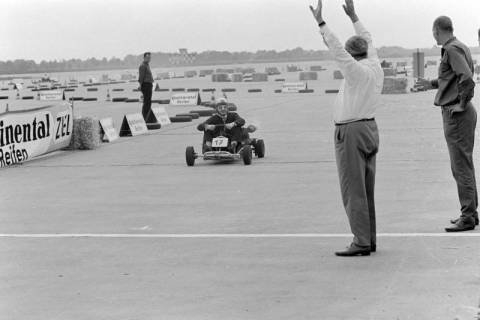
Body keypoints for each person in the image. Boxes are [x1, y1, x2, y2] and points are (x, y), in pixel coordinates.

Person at [309, 0, 383, 256]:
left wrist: (321, 23)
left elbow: (338, 49)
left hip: (351, 132)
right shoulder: (374, 64)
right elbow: (367, 38)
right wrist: (354, 16)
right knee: (366, 189)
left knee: (353, 190)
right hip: (369, 129)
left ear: (353, 55)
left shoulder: (355, 70)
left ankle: (361, 241)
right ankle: (369, 238)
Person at [427, 16, 477, 232]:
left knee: (460, 166)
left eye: (433, 31)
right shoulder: (461, 46)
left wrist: (462, 103)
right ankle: (471, 213)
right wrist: (430, 83)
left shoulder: (451, 49)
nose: (433, 35)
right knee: (464, 164)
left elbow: (466, 78)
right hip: (462, 113)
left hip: (457, 114)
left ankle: (467, 216)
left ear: (438, 30)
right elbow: (454, 78)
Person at [138, 52, 153, 121]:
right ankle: (144, 117)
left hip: (149, 84)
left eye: (149, 58)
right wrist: (140, 85)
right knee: (146, 102)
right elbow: (141, 77)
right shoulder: (142, 66)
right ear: (144, 58)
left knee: (149, 101)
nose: (149, 59)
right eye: (147, 58)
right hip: (145, 85)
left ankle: (147, 116)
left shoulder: (147, 65)